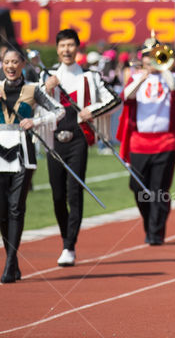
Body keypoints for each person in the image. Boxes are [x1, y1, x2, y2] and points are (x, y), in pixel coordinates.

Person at [0, 48, 65, 283]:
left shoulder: (33, 89)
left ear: (22, 64)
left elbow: (59, 111)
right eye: (6, 62)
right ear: (2, 64)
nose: (10, 66)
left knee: (16, 207)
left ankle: (9, 265)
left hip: (23, 151)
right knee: (1, 212)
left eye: (15, 62)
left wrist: (36, 121)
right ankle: (13, 261)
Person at [41, 29, 120, 267]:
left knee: (74, 192)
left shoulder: (90, 76)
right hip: (53, 140)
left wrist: (92, 111)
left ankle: (69, 246)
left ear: (77, 49)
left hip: (78, 139)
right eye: (62, 45)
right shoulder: (47, 76)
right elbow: (30, 106)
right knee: (57, 196)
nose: (66, 50)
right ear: (57, 49)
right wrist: (44, 90)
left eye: (71, 45)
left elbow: (114, 99)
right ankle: (66, 237)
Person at [116, 36, 175, 245]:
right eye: (147, 56)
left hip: (166, 141)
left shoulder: (171, 76)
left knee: (159, 190)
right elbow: (125, 96)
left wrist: (164, 67)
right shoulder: (136, 77)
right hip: (139, 142)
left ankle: (156, 232)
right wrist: (142, 75)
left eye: (155, 55)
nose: (151, 59)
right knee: (137, 187)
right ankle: (149, 222)